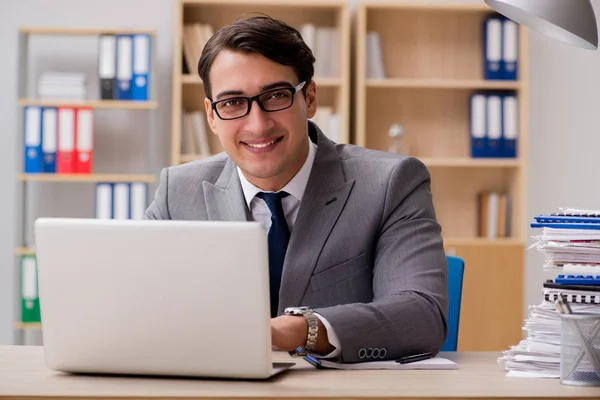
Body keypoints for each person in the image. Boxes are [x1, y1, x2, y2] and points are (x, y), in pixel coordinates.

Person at [145, 15, 448, 363]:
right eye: (232, 103)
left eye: (276, 96)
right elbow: (140, 307)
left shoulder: (392, 182)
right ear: (211, 116)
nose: (257, 124)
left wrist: (297, 330)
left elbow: (420, 315)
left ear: (311, 98)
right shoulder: (177, 192)